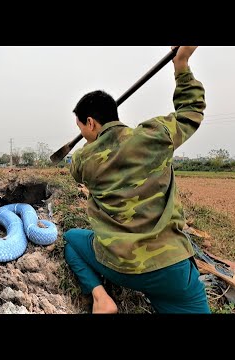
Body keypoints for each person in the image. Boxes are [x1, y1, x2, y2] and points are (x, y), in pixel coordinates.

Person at [63, 46, 210, 314]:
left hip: (118, 265)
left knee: (72, 239)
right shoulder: (154, 137)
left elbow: (76, 164)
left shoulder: (83, 161)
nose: (82, 134)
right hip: (170, 268)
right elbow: (192, 110)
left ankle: (100, 297)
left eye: (81, 128)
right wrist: (181, 64)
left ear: (91, 123)